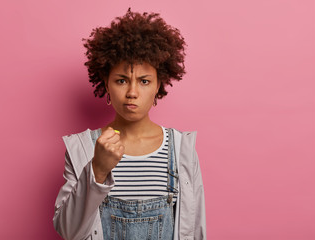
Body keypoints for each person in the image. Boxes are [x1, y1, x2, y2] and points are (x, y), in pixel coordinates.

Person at [53, 8, 206, 240]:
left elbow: (194, 231)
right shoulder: (83, 147)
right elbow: (68, 231)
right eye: (121, 80)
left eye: (144, 81)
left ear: (158, 85)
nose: (132, 92)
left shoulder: (181, 148)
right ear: (106, 83)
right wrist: (98, 170)